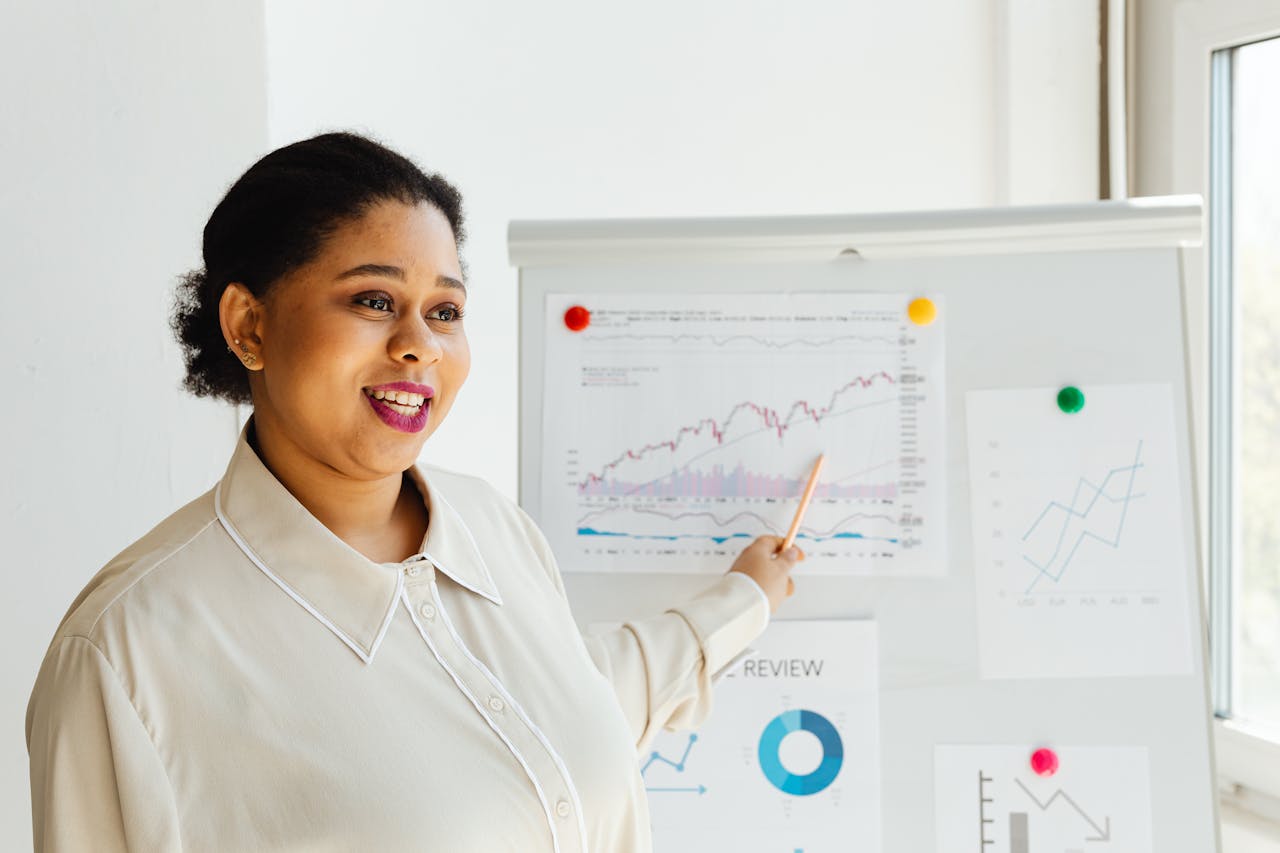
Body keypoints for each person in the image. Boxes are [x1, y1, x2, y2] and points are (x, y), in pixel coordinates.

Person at [25, 131, 804, 852]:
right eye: (373, 300)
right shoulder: (127, 653)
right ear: (249, 325)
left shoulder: (495, 528)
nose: (418, 345)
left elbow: (582, 704)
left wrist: (744, 599)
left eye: (445, 311)